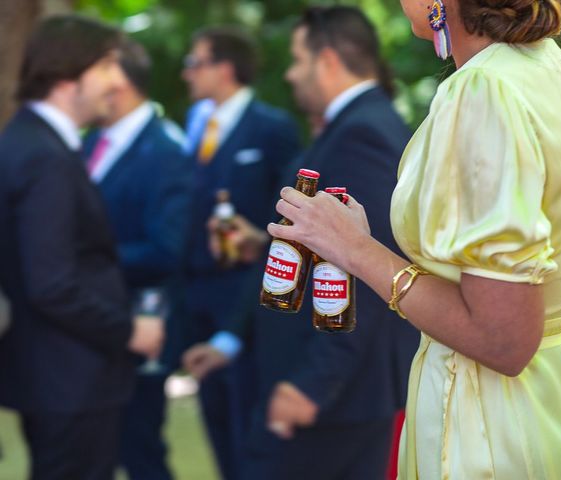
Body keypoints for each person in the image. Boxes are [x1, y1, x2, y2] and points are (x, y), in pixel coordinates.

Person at [268, 0, 561, 478]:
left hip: (492, 432)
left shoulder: (484, 93)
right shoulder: (555, 71)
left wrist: (357, 250)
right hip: (559, 404)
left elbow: (504, 341)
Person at [186, 7, 419, 479]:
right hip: (319, 389)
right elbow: (324, 248)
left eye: (297, 59)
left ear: (327, 60)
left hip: (334, 400)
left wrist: (314, 386)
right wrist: (233, 337)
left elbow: (368, 267)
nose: (290, 75)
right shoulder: (354, 126)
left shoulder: (362, 135)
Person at [0, 15, 164, 480]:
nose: (117, 81)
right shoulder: (43, 155)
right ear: (67, 74)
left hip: (58, 374)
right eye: (107, 66)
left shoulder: (31, 140)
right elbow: (51, 283)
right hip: (69, 378)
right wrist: (128, 331)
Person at [180, 27, 300, 479]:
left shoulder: (273, 127)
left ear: (224, 68)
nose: (187, 73)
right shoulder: (194, 124)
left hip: (248, 295)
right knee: (211, 412)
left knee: (247, 416)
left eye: (196, 63)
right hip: (197, 294)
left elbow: (292, 218)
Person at [83, 39, 191, 480]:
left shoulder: (166, 150)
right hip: (91, 325)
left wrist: (79, 262)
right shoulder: (89, 141)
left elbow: (168, 248)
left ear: (120, 82)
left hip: (140, 323)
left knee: (140, 448)